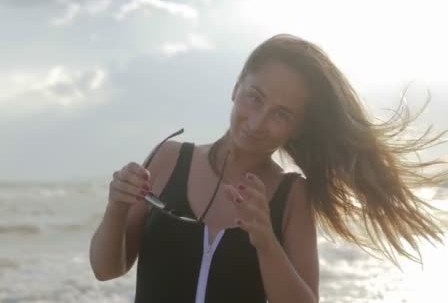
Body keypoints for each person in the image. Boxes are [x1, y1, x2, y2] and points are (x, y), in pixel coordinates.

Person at [88, 34, 447, 303]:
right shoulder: (168, 159)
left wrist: (264, 239)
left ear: (297, 128)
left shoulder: (292, 196)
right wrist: (116, 209)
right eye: (254, 98)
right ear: (235, 88)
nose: (258, 121)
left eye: (281, 114)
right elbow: (106, 270)